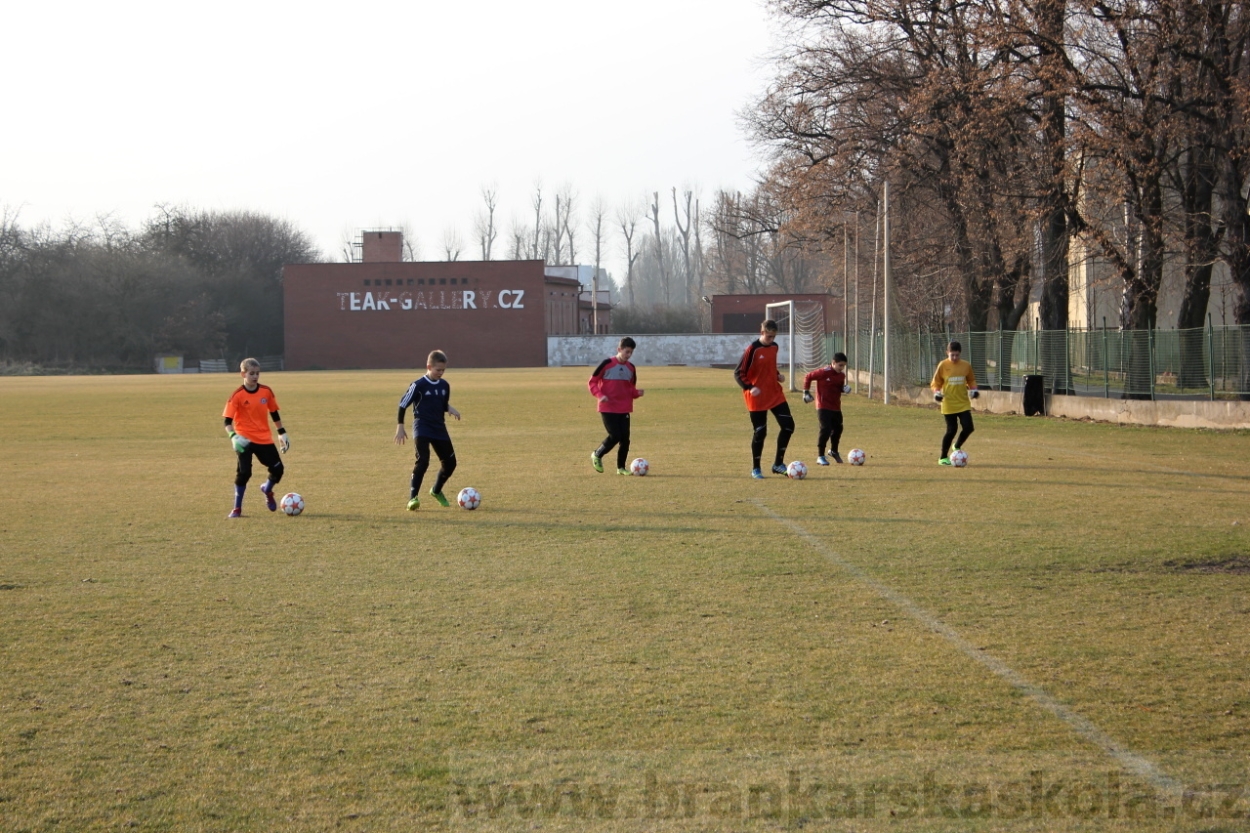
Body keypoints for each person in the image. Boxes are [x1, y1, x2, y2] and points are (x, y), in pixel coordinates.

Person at [222, 358, 289, 519]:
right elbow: (227, 421)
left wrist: (282, 432)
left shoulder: (266, 391)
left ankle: (267, 489)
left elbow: (274, 412)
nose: (255, 376)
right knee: (244, 472)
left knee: (278, 469)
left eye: (257, 373)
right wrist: (233, 437)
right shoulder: (237, 395)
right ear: (243, 374)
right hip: (243, 439)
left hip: (264, 438)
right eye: (251, 373)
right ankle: (237, 509)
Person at [395, 349, 462, 509]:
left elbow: (440, 402)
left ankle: (436, 490)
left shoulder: (445, 385)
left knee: (450, 463)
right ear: (429, 366)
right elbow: (403, 404)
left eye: (443, 370)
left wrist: (449, 408)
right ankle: (413, 498)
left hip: (439, 428)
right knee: (423, 460)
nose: (441, 373)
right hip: (422, 427)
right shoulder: (418, 385)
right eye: (438, 370)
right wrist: (400, 426)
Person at [734, 319, 794, 479]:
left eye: (774, 336)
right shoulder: (752, 349)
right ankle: (756, 468)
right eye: (769, 336)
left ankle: (778, 464)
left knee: (789, 426)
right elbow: (738, 373)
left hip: (774, 393)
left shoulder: (774, 347)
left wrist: (777, 376)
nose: (771, 340)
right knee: (761, 432)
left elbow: (769, 368)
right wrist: (749, 387)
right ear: (762, 333)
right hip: (756, 397)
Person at [588, 336, 645, 475]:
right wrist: (600, 396)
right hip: (607, 407)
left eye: (631, 352)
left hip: (624, 408)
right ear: (619, 349)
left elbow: (630, 388)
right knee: (615, 436)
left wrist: (637, 393)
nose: (629, 355)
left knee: (625, 439)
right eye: (626, 352)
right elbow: (592, 382)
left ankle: (621, 468)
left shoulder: (631, 368)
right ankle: (597, 454)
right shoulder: (607, 363)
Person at [931, 340, 979, 465]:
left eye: (957, 355)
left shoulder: (965, 366)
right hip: (948, 403)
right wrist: (936, 393)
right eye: (952, 355)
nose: (954, 357)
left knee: (969, 427)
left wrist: (974, 390)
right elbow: (936, 382)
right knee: (951, 430)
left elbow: (971, 380)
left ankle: (956, 446)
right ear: (947, 352)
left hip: (963, 403)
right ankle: (942, 457)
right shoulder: (942, 365)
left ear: (960, 354)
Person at [802, 352, 851, 465]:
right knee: (826, 429)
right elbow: (808, 376)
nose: (841, 368)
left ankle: (834, 451)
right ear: (833, 363)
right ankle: (820, 456)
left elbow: (838, 388)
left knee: (838, 428)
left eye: (843, 366)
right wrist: (806, 392)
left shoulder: (841, 375)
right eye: (840, 365)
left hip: (836, 407)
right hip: (823, 406)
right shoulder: (823, 372)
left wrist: (844, 389)